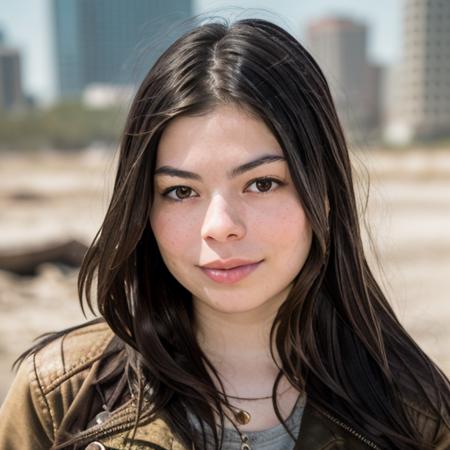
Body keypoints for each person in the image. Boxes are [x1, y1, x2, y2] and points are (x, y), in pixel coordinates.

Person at [0, 17, 449, 450]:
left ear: (324, 194)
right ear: (142, 207)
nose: (220, 227)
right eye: (180, 191)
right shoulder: (58, 398)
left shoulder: (416, 415)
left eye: (262, 183)